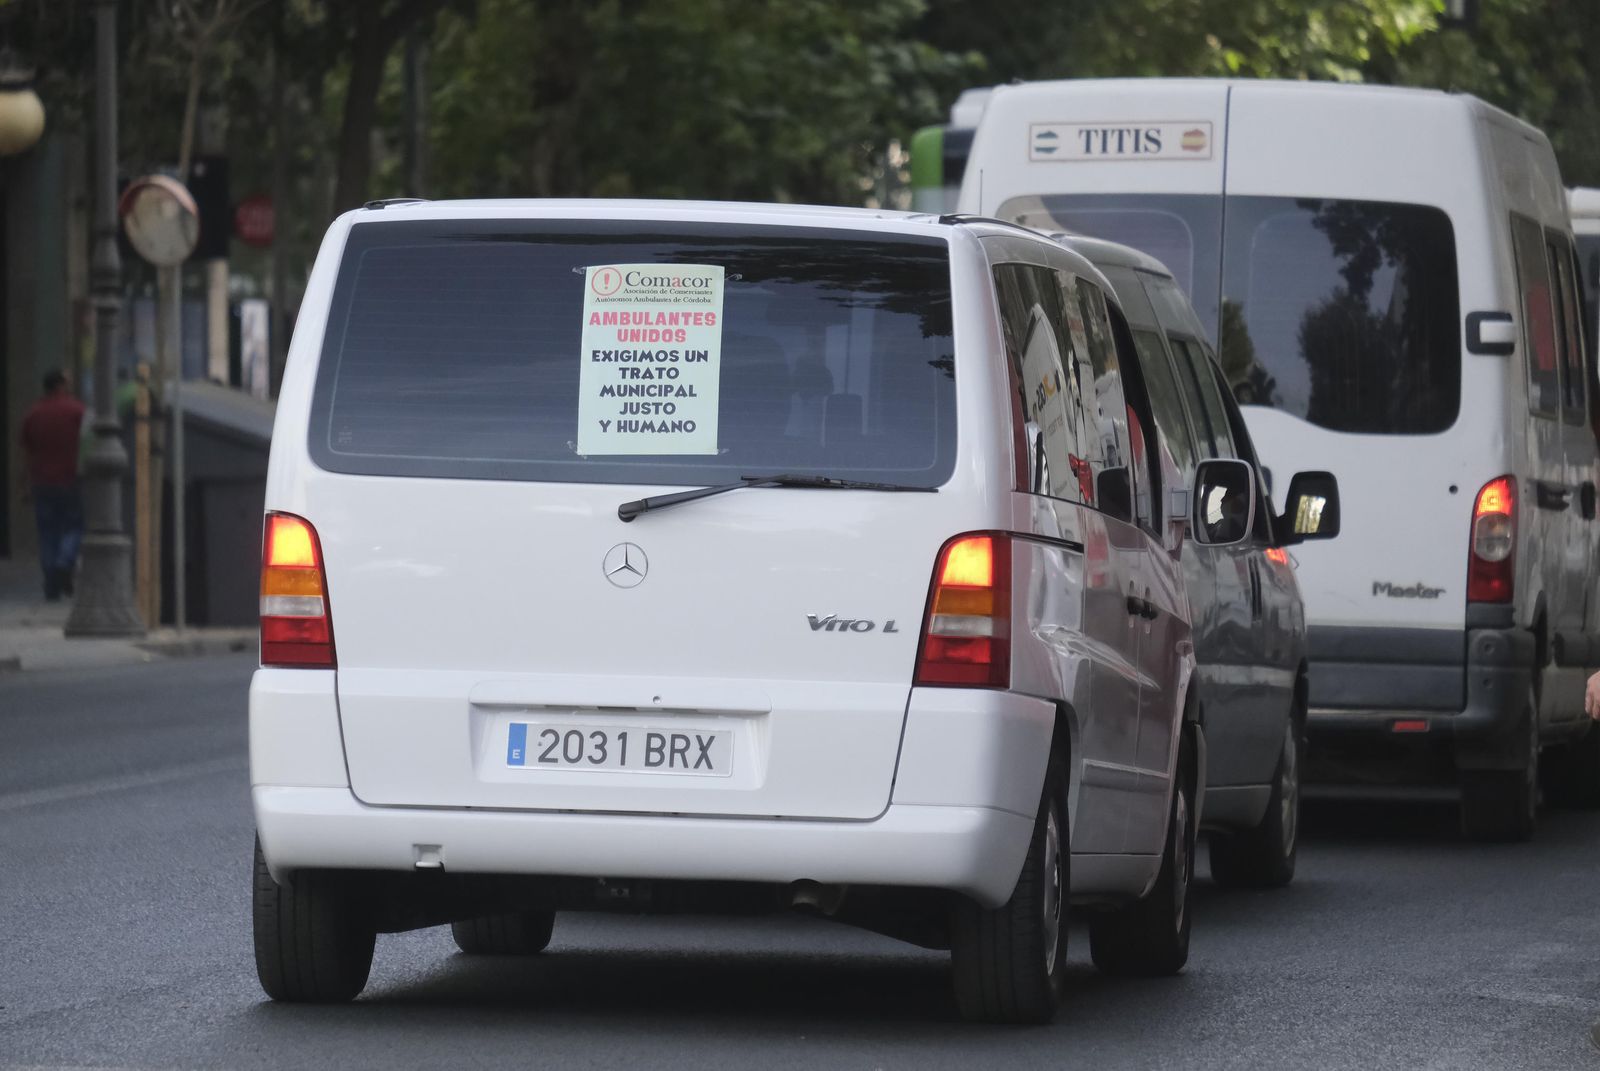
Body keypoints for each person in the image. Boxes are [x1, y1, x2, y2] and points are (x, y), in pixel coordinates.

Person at [19, 370, 87, 600]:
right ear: (60, 385)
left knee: (48, 532)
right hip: (70, 479)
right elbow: (88, 442)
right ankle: (64, 562)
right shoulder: (77, 411)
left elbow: (27, 452)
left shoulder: (33, 414)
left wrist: (26, 483)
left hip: (42, 481)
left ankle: (51, 581)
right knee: (74, 526)